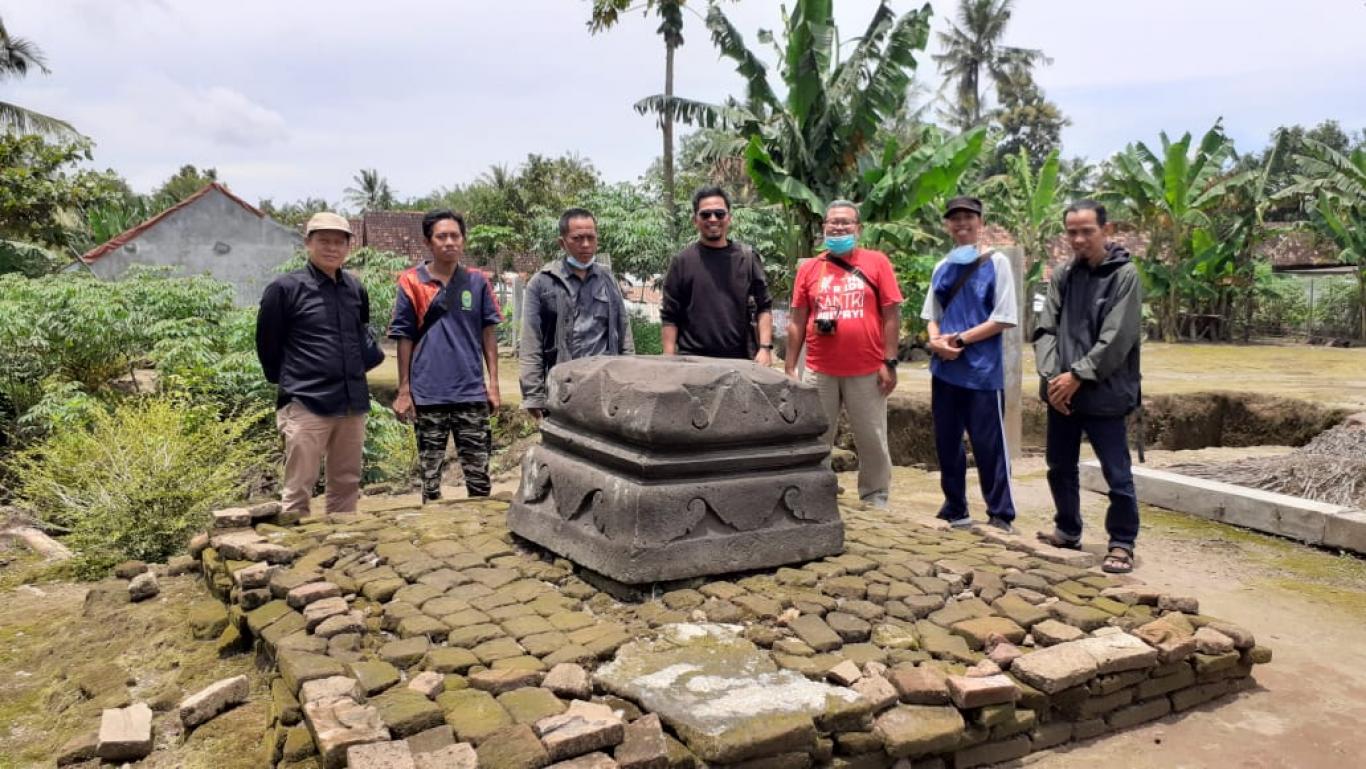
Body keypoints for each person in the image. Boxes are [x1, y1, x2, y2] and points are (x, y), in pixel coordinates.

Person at [1033, 199, 1143, 574]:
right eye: (1072, 232)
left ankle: (1122, 542)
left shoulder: (1124, 276)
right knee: (1059, 465)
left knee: (1117, 472)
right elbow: (1046, 329)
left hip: (1104, 391)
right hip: (1062, 393)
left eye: (1087, 231)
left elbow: (1117, 337)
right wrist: (1051, 378)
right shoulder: (1064, 275)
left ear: (1106, 231)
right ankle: (1067, 528)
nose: (1079, 239)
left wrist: (1078, 374)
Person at [256, 211, 384, 516]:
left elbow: (360, 336)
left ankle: (340, 549)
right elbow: (267, 344)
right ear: (307, 244)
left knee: (347, 483)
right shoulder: (284, 289)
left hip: (351, 402)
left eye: (339, 242)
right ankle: (293, 555)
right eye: (324, 241)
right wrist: (290, 383)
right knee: (299, 485)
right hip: (306, 401)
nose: (332, 248)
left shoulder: (355, 289)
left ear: (348, 247)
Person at [785, 200, 903, 508]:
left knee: (872, 437)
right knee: (816, 436)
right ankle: (817, 489)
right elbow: (797, 320)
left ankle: (875, 495)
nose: (838, 227)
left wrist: (889, 361)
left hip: (866, 369)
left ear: (858, 229)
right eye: (832, 223)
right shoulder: (810, 268)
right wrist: (789, 368)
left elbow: (891, 315)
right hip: (818, 368)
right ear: (823, 227)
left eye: (846, 223)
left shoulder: (877, 262)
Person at [389, 209, 503, 502]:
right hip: (428, 394)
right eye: (442, 236)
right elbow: (404, 336)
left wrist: (493, 384)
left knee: (479, 476)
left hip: (470, 392)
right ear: (429, 242)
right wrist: (404, 389)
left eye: (455, 236)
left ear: (463, 241)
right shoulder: (411, 282)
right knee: (430, 479)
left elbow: (488, 334)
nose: (449, 242)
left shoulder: (477, 282)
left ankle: (479, 536)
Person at [921, 196, 1019, 532]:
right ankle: (955, 506)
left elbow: (1004, 317)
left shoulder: (997, 263)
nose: (961, 224)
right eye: (954, 219)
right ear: (947, 225)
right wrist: (936, 341)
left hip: (981, 372)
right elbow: (931, 315)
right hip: (944, 369)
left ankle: (1000, 513)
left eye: (968, 217)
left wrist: (960, 341)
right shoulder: (941, 266)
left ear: (980, 221)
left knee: (989, 444)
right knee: (947, 442)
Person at [519, 207, 634, 420]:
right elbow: (531, 342)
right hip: (564, 387)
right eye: (577, 238)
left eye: (591, 237)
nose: (586, 245)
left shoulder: (607, 279)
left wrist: (630, 376)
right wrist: (533, 395)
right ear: (562, 243)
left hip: (606, 386)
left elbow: (624, 332)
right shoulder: (542, 283)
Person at [660, 186, 774, 363]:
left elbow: (764, 307)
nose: (713, 219)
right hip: (693, 362)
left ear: (729, 218)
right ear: (695, 220)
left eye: (719, 214)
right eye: (705, 214)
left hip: (741, 362)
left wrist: (765, 348)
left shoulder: (748, 258)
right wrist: (668, 359)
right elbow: (670, 315)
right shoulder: (682, 262)